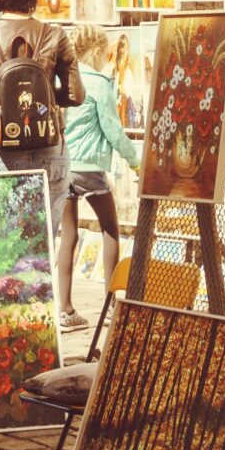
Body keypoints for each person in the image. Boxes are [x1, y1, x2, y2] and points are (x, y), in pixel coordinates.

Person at [0, 0, 85, 323]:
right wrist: (42, 98)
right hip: (50, 151)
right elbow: (76, 95)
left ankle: (4, 330)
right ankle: (40, 331)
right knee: (40, 248)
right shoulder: (55, 35)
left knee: (0, 249)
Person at [60, 25, 139, 335]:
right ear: (95, 52)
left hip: (64, 165)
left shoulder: (63, 79)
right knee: (110, 230)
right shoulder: (98, 83)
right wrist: (135, 161)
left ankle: (66, 310)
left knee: (68, 237)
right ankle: (110, 305)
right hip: (90, 166)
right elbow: (113, 130)